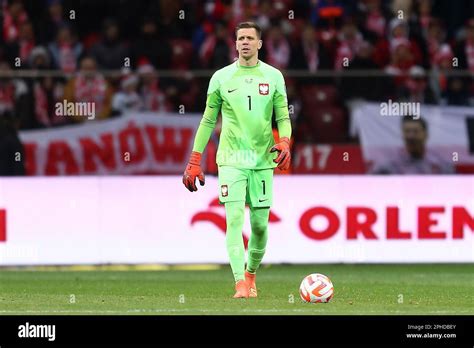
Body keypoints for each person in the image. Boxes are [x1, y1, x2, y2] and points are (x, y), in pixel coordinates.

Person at [182, 22, 292, 299]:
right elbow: (208, 120)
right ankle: (239, 282)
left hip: (263, 159)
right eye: (240, 38)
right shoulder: (221, 77)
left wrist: (285, 141)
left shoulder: (274, 76)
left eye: (249, 38)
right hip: (230, 159)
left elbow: (283, 117)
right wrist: (195, 159)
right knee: (233, 219)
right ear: (235, 44)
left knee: (260, 225)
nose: (244, 42)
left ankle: (252, 274)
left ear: (259, 43)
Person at [370, 117, 454, 174]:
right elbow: (370, 185)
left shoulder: (441, 162)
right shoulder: (387, 162)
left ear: (426, 135)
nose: (411, 136)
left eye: (415, 131)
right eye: (407, 131)